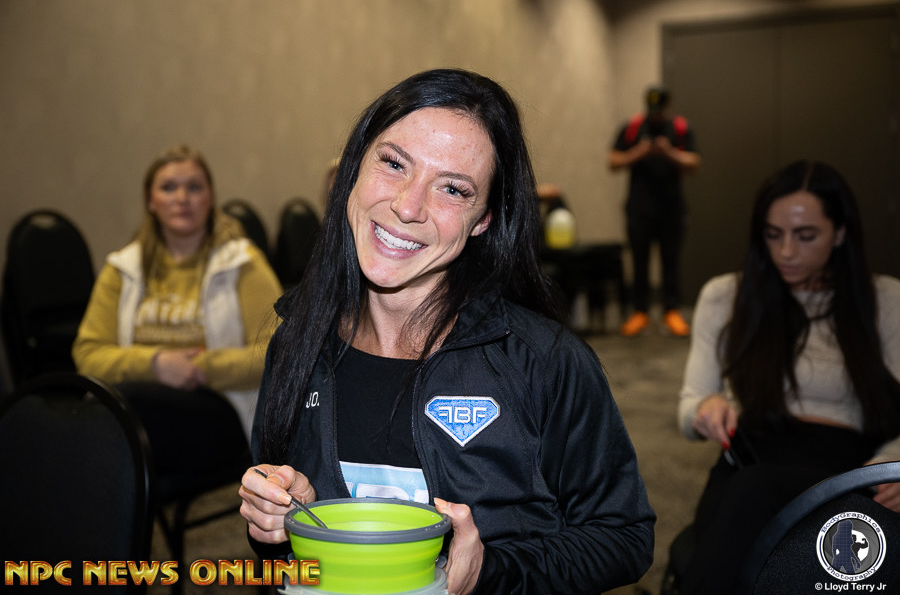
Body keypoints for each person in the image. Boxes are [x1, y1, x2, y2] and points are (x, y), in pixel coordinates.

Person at [238, 68, 655, 595]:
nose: (407, 207)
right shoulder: (297, 343)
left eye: (453, 189)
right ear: (354, 169)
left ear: (483, 220)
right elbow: (280, 555)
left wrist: (490, 572)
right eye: (394, 163)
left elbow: (623, 537)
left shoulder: (544, 361)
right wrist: (280, 522)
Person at [676, 160, 900, 594]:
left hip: (848, 471)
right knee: (751, 494)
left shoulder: (886, 301)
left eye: (805, 235)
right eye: (773, 234)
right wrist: (706, 408)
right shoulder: (727, 295)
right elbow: (690, 405)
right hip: (752, 461)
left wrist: (892, 467)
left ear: (840, 233)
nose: (786, 252)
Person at [73, 144, 282, 481]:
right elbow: (88, 355)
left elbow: (276, 351)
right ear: (150, 201)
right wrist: (157, 365)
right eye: (168, 187)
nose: (182, 198)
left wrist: (198, 368)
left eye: (194, 187)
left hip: (222, 410)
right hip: (138, 411)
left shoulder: (242, 263)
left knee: (118, 416)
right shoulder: (122, 269)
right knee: (112, 416)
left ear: (210, 198)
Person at [609, 86, 700, 337]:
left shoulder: (680, 128)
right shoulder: (632, 128)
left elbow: (694, 163)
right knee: (639, 260)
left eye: (659, 111)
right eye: (652, 110)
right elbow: (613, 161)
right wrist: (638, 152)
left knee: (671, 261)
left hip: (672, 208)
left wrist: (669, 152)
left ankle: (672, 311)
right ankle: (640, 312)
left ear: (667, 106)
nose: (655, 115)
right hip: (639, 208)